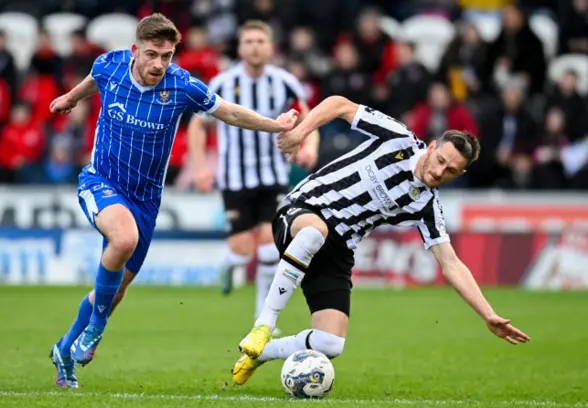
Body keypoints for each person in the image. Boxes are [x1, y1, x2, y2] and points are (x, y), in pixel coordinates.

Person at [47, 13, 299, 389]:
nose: (159, 64)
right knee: (123, 239)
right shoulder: (110, 65)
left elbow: (228, 112)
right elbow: (92, 82)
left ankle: (64, 350)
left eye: (167, 56)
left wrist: (275, 125)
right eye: (152, 54)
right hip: (100, 180)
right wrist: (69, 98)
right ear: (135, 50)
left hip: (146, 200)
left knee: (115, 291)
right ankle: (96, 329)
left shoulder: (182, 86)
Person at [231, 95, 531, 385]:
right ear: (431, 146)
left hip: (338, 250)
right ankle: (264, 326)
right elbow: (339, 104)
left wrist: (488, 315)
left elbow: (451, 263)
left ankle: (260, 354)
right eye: (439, 160)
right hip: (301, 211)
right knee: (313, 233)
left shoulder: (426, 206)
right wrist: (299, 133)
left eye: (450, 171)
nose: (439, 171)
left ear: (460, 173)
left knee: (330, 343)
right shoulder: (397, 137)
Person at [187, 20, 319, 324]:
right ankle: (229, 264)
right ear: (240, 47)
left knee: (269, 249)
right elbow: (198, 124)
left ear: (270, 46)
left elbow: (308, 118)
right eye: (249, 41)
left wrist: (309, 145)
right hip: (235, 178)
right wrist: (199, 168)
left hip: (273, 177)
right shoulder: (222, 83)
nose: (255, 46)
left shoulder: (285, 82)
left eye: (261, 41)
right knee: (241, 251)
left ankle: (263, 320)